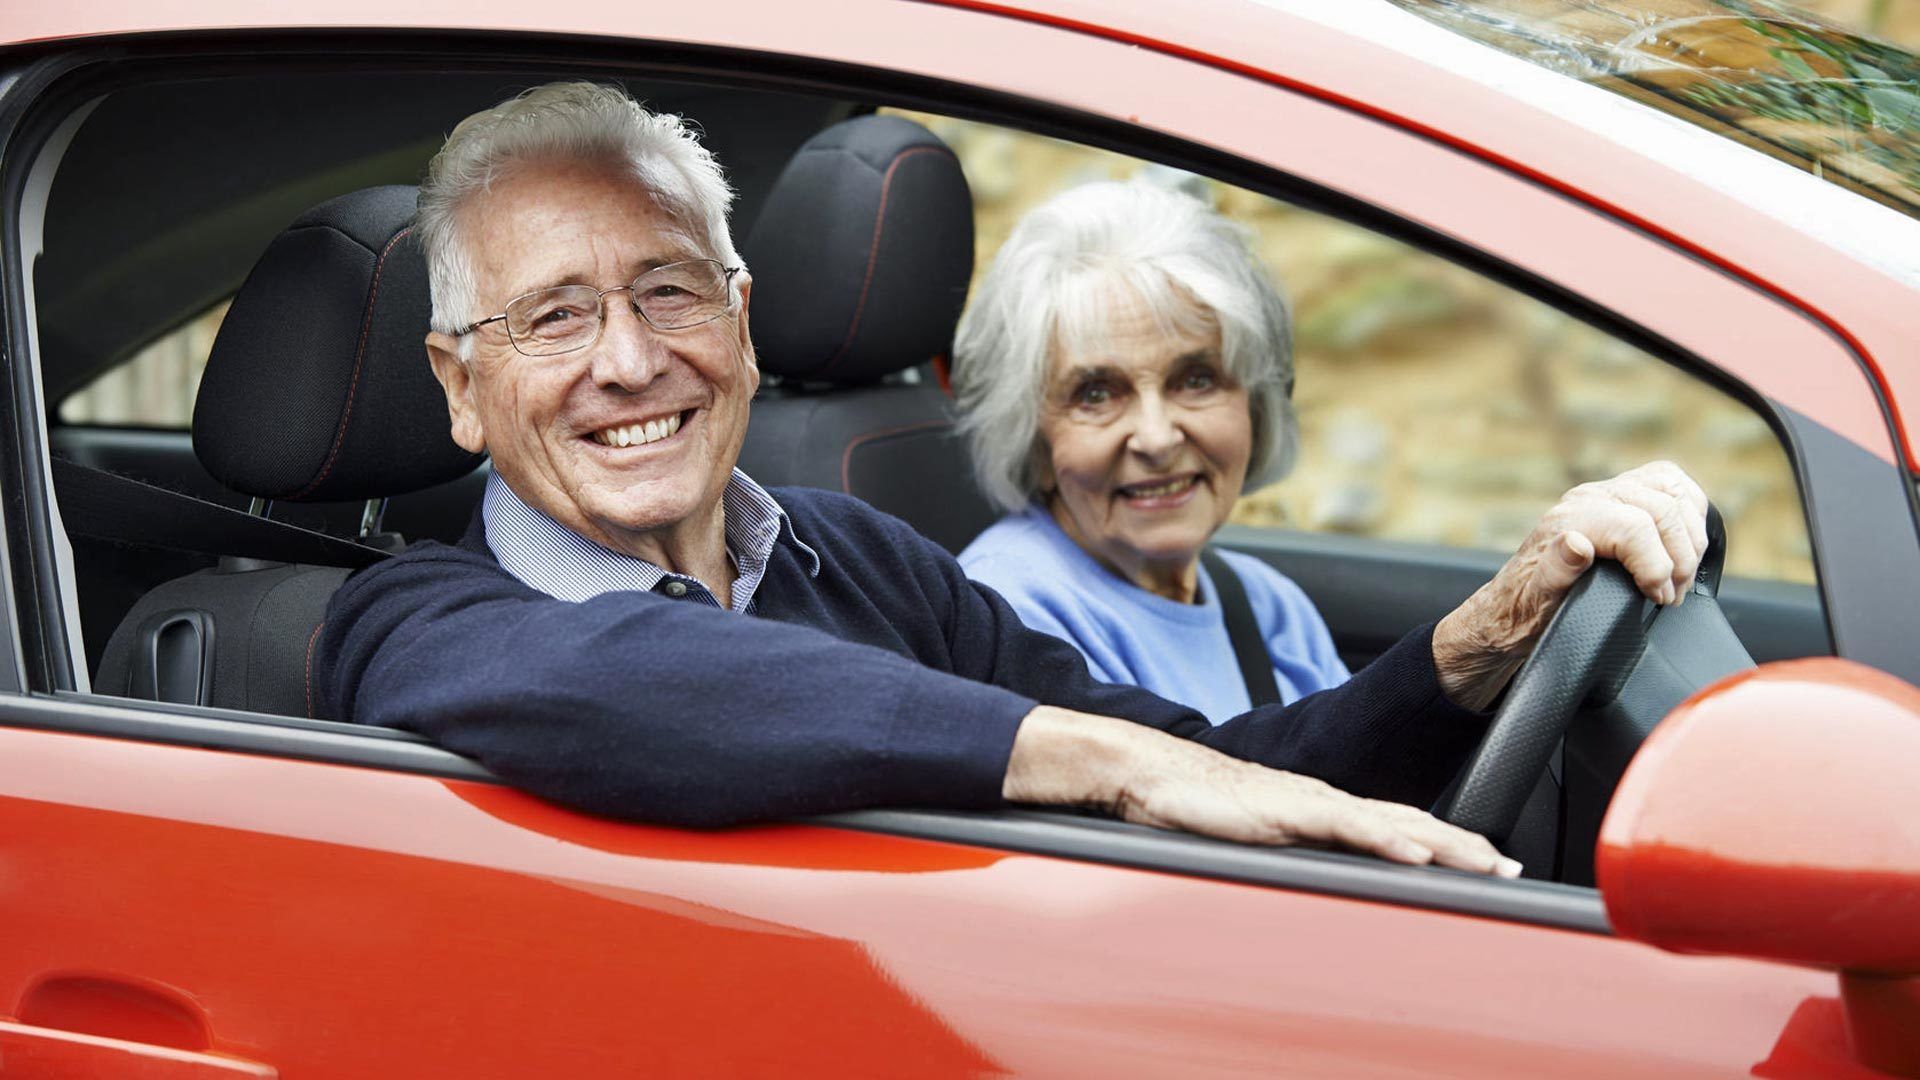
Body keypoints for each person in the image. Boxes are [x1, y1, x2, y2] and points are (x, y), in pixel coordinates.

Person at [315, 82, 1712, 878]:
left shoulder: (857, 555)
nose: (629, 361)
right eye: (554, 318)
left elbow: (1223, 775)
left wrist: (1483, 640)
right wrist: (1099, 768)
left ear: (740, 322)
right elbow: (642, 678)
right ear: (459, 386)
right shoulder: (410, 621)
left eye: (670, 291)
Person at [956, 180, 1346, 722]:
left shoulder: (1268, 604)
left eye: (1197, 380)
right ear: (1031, 439)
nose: (1158, 439)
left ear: (1255, 405)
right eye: (1096, 393)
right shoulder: (1009, 618)